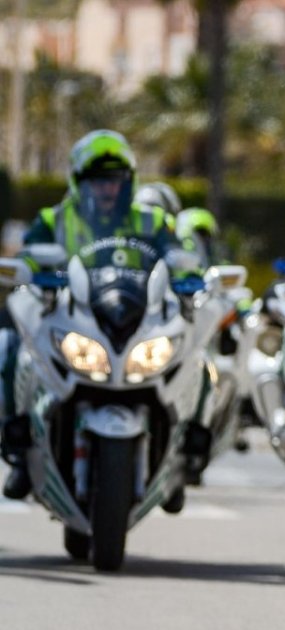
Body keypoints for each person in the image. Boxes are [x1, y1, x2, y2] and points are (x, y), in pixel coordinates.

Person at [2, 130, 180, 499]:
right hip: (72, 315)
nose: (107, 189)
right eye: (98, 181)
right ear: (79, 182)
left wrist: (191, 274)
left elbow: (181, 255)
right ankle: (18, 443)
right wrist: (29, 269)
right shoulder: (54, 219)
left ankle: (181, 458)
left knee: (188, 348)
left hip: (133, 317)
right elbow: (29, 256)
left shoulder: (151, 220)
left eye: (115, 181)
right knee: (10, 340)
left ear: (128, 182)